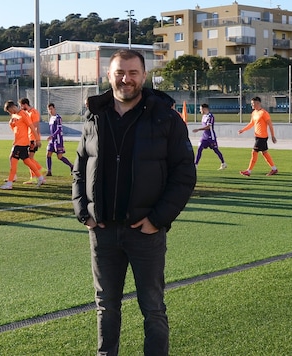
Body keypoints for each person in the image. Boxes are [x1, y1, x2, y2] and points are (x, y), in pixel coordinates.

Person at [72, 49, 196, 355]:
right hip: (102, 231)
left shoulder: (164, 117)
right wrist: (84, 212)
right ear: (109, 75)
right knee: (106, 307)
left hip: (145, 233)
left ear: (144, 76)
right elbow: (79, 167)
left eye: (132, 73)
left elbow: (184, 174)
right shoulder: (95, 115)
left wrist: (157, 219)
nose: (126, 79)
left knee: (153, 308)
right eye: (119, 73)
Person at [0, 101, 44, 190]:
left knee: (13, 160)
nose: (10, 113)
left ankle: (9, 183)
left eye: (9, 111)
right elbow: (15, 129)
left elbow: (31, 127)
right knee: (27, 161)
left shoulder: (23, 114)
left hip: (22, 143)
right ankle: (40, 177)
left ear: (12, 108)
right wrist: (11, 124)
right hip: (18, 142)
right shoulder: (14, 115)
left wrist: (37, 140)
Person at [238, 97, 278, 176]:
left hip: (262, 137)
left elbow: (270, 124)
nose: (252, 105)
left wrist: (273, 136)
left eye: (253, 103)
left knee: (254, 152)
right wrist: (243, 130)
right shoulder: (254, 113)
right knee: (265, 153)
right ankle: (274, 169)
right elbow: (251, 124)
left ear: (258, 103)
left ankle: (248, 171)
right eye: (251, 103)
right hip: (257, 136)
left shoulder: (264, 113)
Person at [192, 103, 227, 170]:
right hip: (204, 137)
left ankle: (223, 163)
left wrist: (198, 129)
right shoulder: (203, 116)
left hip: (211, 137)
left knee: (216, 150)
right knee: (199, 149)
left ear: (205, 109)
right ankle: (195, 165)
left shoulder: (210, 116)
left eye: (201, 109)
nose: (200, 111)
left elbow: (208, 127)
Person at [44, 103, 73, 176]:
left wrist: (52, 136)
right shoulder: (51, 118)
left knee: (59, 157)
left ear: (54, 108)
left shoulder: (58, 118)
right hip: (52, 140)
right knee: (48, 154)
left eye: (51, 109)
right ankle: (49, 171)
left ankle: (72, 166)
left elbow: (59, 129)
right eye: (49, 109)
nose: (50, 110)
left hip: (58, 140)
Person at [19, 97, 43, 184]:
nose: (21, 108)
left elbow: (36, 126)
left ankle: (39, 171)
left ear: (25, 104)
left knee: (29, 159)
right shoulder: (27, 112)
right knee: (29, 159)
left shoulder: (34, 112)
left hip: (33, 138)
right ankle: (36, 176)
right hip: (30, 138)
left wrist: (37, 139)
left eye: (21, 106)